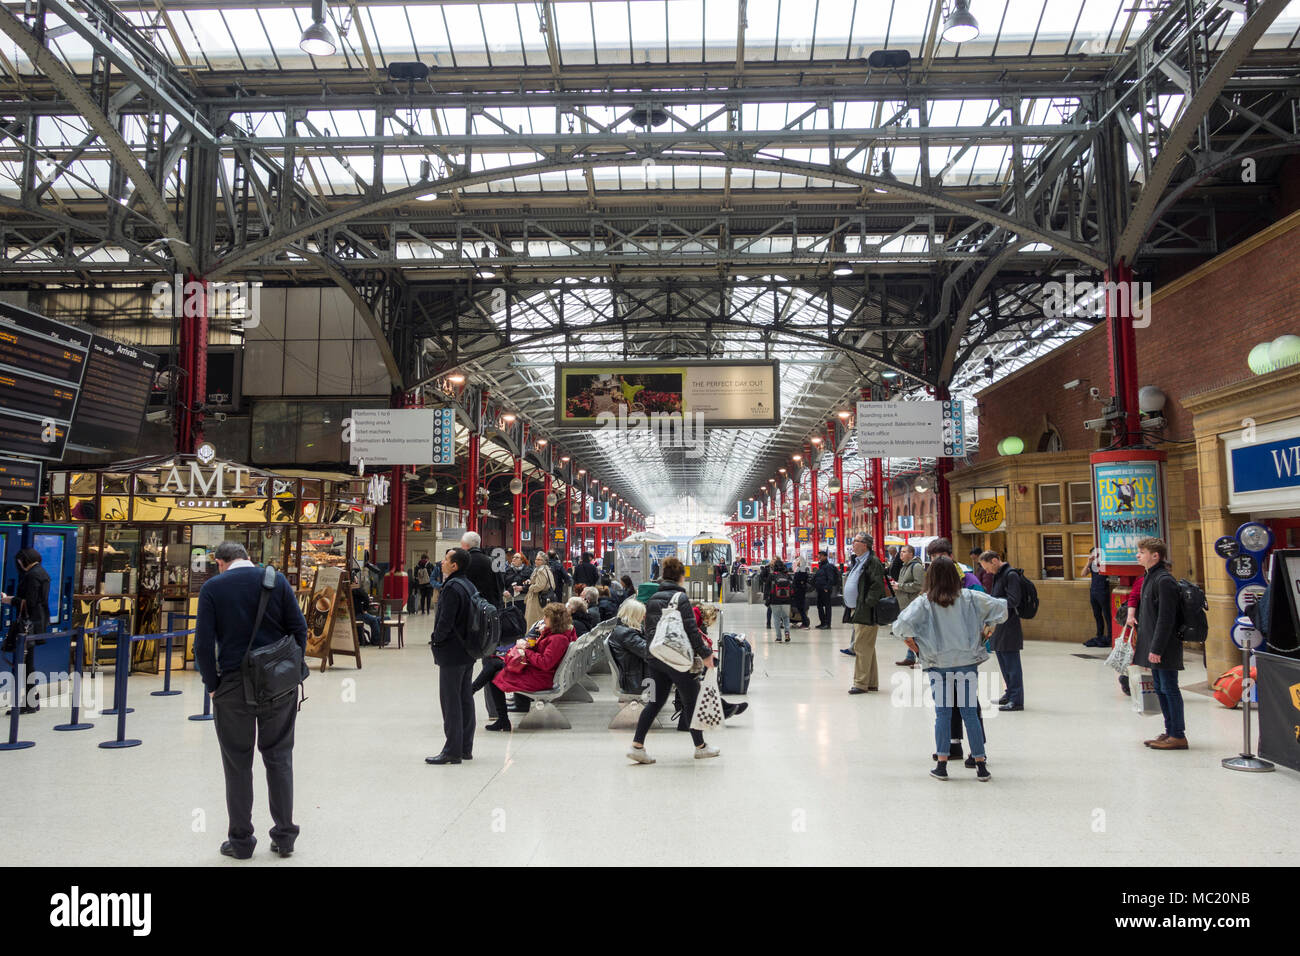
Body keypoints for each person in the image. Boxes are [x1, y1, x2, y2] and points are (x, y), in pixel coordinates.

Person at [194, 540, 308, 859]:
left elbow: (202, 645)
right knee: (279, 756)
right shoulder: (276, 580)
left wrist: (213, 686)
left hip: (232, 686)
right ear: (247, 557)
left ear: (221, 562)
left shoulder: (213, 588)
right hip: (277, 685)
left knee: (237, 762)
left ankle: (242, 841)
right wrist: (291, 671)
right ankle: (285, 836)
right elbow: (299, 630)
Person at [894, 556, 1007, 782]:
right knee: (970, 713)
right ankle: (980, 765)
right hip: (966, 662)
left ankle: (942, 765)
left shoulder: (924, 602)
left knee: (943, 714)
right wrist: (989, 626)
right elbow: (1001, 607)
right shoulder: (970, 597)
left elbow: (900, 626)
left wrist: (913, 643)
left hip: (938, 665)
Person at [629, 557, 719, 763]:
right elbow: (691, 631)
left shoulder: (653, 598)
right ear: (681, 576)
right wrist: (706, 654)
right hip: (676, 658)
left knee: (655, 702)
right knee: (692, 701)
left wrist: (651, 654)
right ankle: (700, 747)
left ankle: (637, 746)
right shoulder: (681, 598)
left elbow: (649, 630)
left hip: (656, 656)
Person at [482, 602, 577, 732]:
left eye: (546, 617)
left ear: (554, 620)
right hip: (541, 674)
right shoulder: (558, 635)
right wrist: (531, 645)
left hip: (540, 678)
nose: (544, 619)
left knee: (495, 677)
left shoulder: (558, 639)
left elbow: (545, 663)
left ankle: (502, 719)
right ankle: (477, 694)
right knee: (495, 665)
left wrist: (526, 651)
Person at [1134, 537, 1187, 750]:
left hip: (1165, 646)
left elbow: (1166, 618)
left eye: (1142, 552)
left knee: (1169, 688)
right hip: (1154, 645)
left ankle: (1178, 735)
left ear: (1155, 556)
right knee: (1160, 688)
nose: (1138, 555)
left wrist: (1156, 649)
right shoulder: (1150, 577)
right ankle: (1169, 731)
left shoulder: (1164, 580)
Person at [427, 548, 477, 765]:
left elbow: (444, 621)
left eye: (446, 559)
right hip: (468, 650)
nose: (442, 562)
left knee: (450, 701)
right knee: (465, 698)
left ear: (455, 565)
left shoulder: (451, 588)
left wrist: (436, 640)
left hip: (452, 652)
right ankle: (465, 747)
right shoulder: (469, 585)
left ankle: (452, 751)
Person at [2, 547, 51, 714]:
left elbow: (29, 602)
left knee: (24, 664)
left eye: (19, 561)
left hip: (28, 625)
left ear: (24, 560)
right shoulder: (42, 572)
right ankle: (32, 699)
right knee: (27, 662)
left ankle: (29, 702)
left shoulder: (31, 575)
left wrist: (9, 600)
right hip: (38, 622)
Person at [979, 551, 1024, 712]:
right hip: (1000, 623)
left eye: (987, 568)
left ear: (994, 561)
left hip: (1009, 624)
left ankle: (1016, 700)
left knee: (1012, 664)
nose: (987, 572)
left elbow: (1013, 600)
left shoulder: (1011, 575)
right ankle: (1009, 693)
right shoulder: (999, 575)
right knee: (1004, 662)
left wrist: (992, 602)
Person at [845, 532, 886, 695]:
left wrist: (867, 603)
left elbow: (877, 586)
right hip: (857, 609)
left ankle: (860, 683)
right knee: (867, 646)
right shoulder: (858, 561)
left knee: (861, 646)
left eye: (856, 541)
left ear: (865, 545)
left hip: (865, 610)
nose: (853, 543)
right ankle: (871, 682)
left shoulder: (872, 562)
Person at [893, 545, 925, 667]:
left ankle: (920, 658)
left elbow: (918, 585)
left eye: (904, 552)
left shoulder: (916, 567)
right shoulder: (904, 567)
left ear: (911, 554)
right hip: (905, 604)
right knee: (909, 632)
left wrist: (900, 586)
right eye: (901, 552)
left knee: (914, 633)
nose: (901, 554)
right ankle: (911, 657)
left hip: (913, 604)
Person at [461, 532, 505, 611]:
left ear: (466, 545)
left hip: (469, 608)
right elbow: (500, 585)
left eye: (461, 545)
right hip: (490, 608)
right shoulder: (492, 562)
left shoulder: (463, 563)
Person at [1083, 548, 1113, 648]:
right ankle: (1099, 635)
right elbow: (1083, 574)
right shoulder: (1091, 564)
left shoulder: (1104, 564)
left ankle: (1110, 636)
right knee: (1097, 615)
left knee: (1107, 615)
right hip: (1093, 591)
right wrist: (1088, 562)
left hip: (1103, 591)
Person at [524, 551, 554, 629]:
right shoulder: (547, 569)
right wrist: (531, 582)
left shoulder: (541, 571)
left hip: (536, 599)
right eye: (536, 559)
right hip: (542, 598)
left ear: (544, 561)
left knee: (533, 621)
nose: (536, 561)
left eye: (539, 559)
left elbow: (540, 586)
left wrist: (531, 587)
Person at [765, 558, 793, 643]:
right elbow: (792, 588)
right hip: (787, 600)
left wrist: (767, 599)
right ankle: (787, 633)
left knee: (776, 618)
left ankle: (779, 637)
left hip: (775, 600)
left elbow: (767, 588)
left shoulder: (772, 576)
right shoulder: (787, 575)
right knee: (786, 617)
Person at [812, 551, 837, 628]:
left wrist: (827, 588)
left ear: (825, 556)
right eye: (819, 555)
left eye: (821, 556)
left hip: (825, 590)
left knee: (827, 606)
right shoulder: (821, 566)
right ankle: (823, 622)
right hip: (820, 589)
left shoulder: (828, 566)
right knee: (819, 606)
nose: (819, 557)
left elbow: (830, 578)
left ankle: (827, 624)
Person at [791, 556, 811, 628]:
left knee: (800, 608)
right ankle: (803, 622)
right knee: (800, 607)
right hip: (800, 591)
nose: (796, 562)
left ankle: (805, 623)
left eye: (798, 560)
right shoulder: (801, 570)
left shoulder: (801, 571)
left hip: (799, 592)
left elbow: (799, 581)